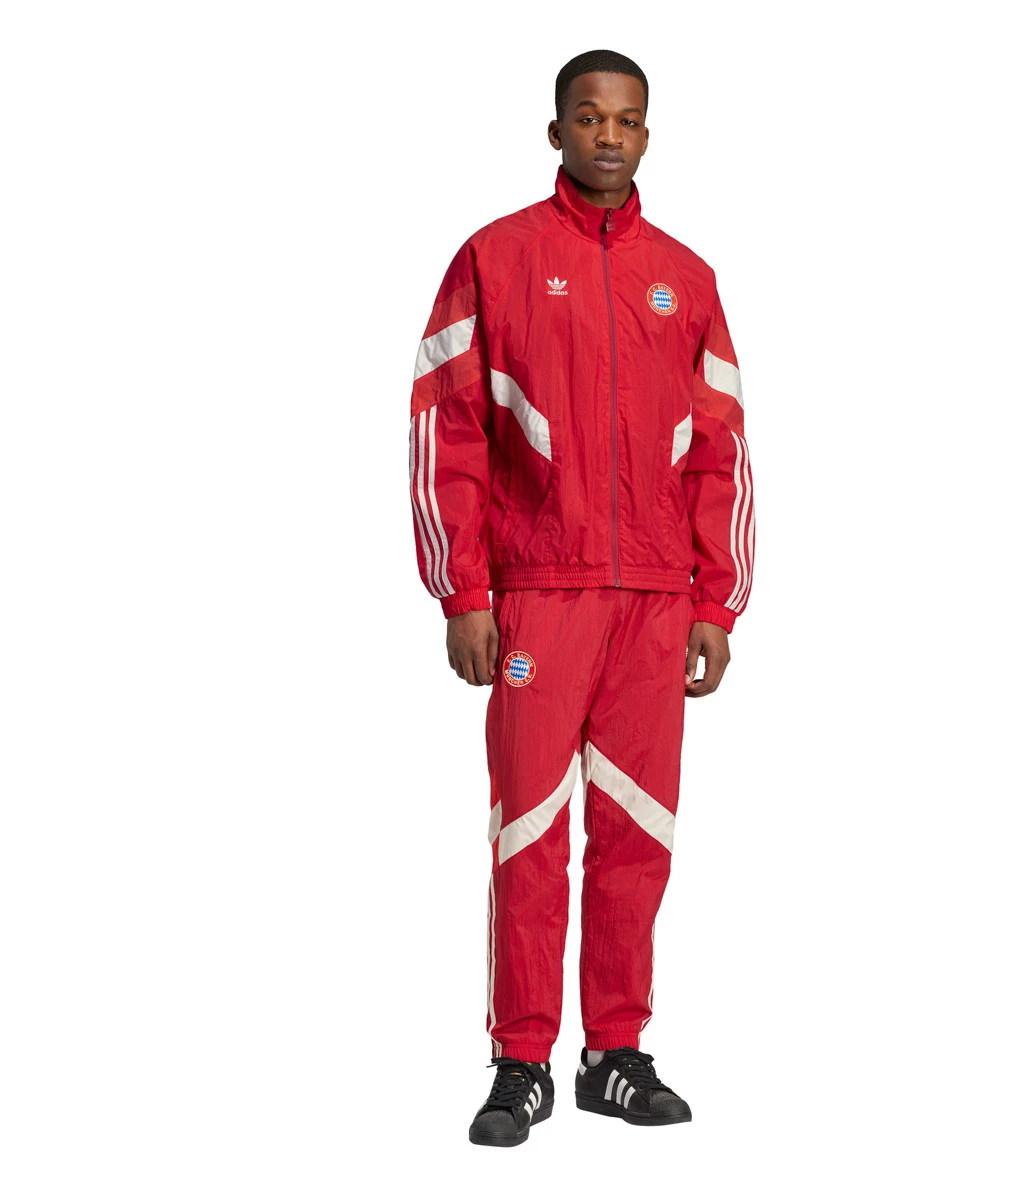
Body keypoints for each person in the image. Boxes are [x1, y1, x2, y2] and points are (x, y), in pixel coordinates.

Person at [408, 48, 755, 1146]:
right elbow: (447, 427)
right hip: (538, 597)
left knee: (637, 833)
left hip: (655, 599)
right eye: (591, 118)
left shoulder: (687, 278)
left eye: (629, 119)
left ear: (648, 136)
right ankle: (520, 1062)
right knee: (529, 833)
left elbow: (723, 450)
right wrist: (463, 590)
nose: (610, 136)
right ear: (555, 131)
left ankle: (615, 1053)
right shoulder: (495, 257)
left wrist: (716, 604)